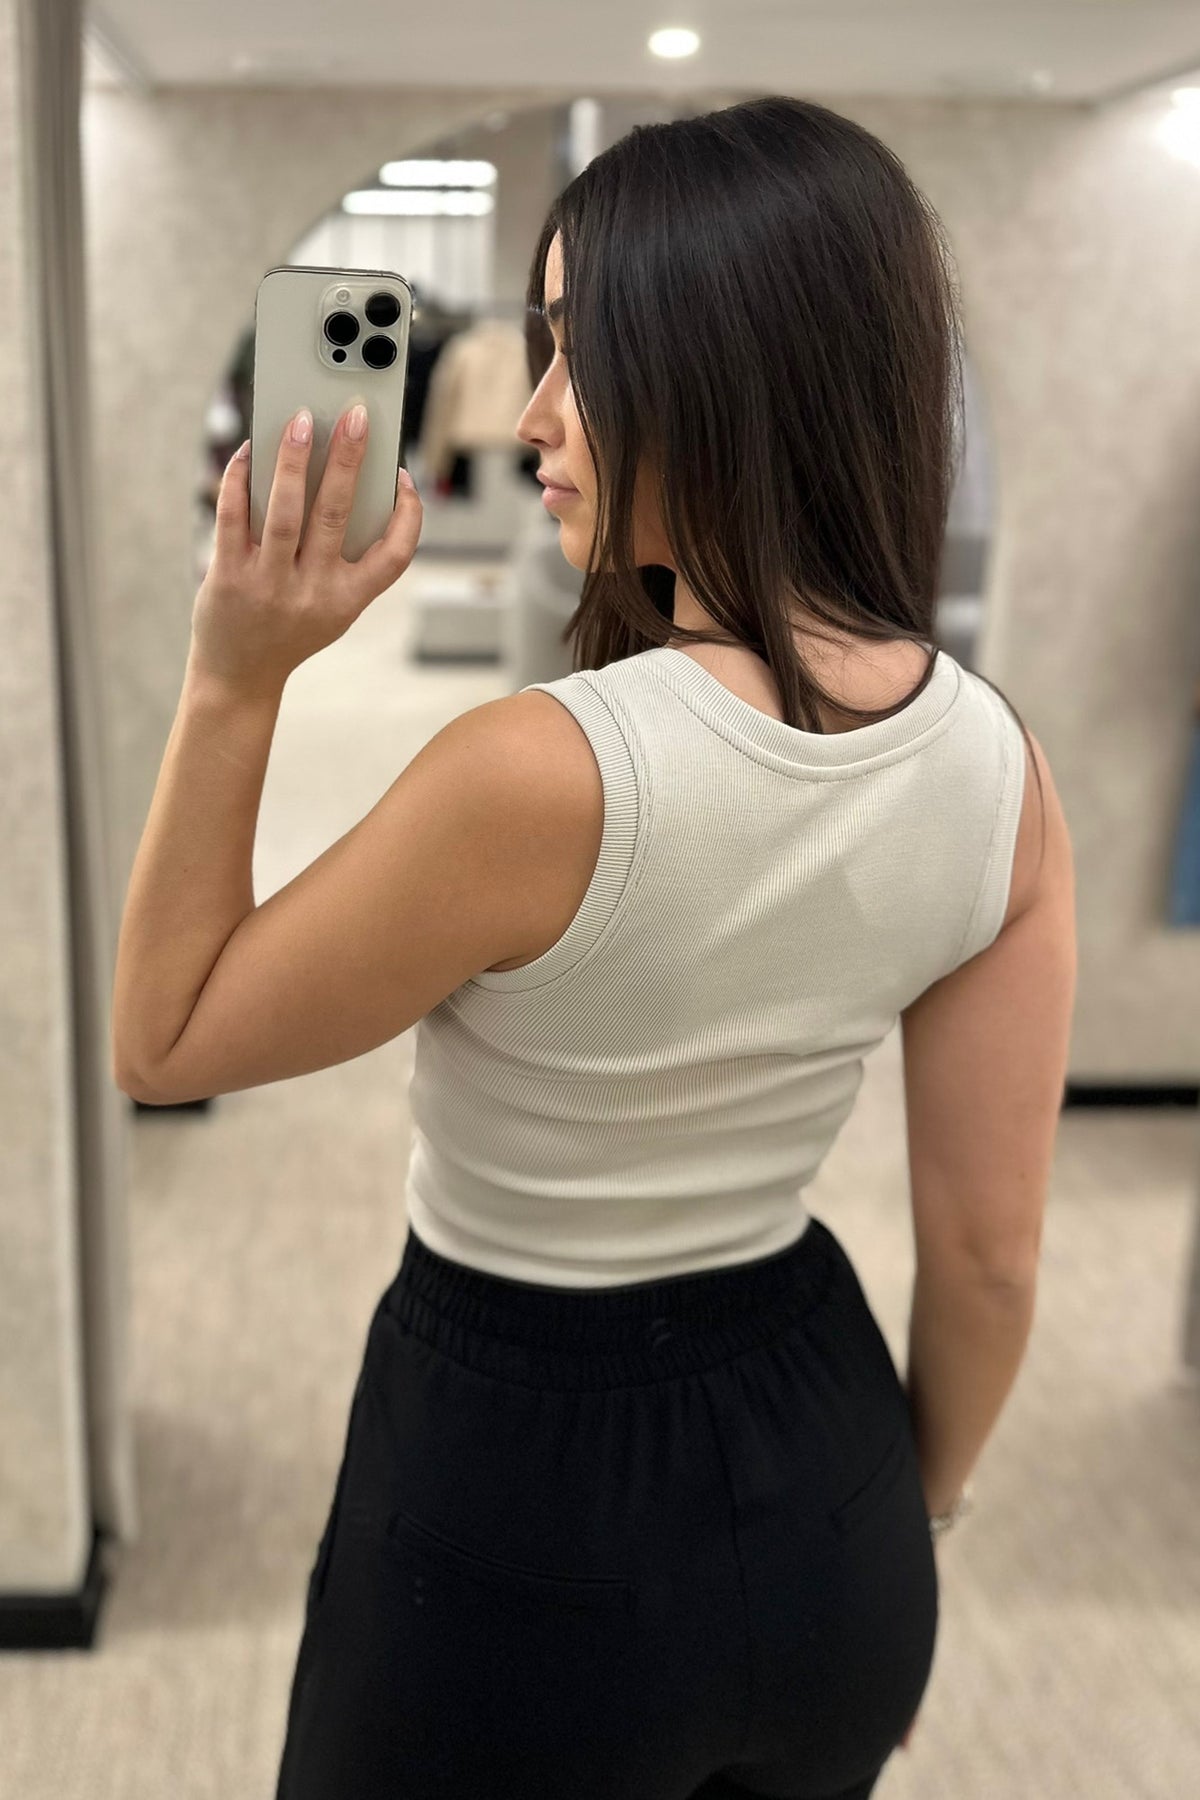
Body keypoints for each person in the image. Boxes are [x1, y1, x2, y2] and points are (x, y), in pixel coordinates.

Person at [274, 94, 1076, 1800]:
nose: (535, 412)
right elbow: (993, 1261)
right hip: (828, 1478)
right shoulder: (1003, 769)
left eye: (582, 350)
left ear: (725, 368)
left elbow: (161, 1034)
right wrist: (908, 1534)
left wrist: (229, 676)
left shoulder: (536, 768)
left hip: (514, 1481)